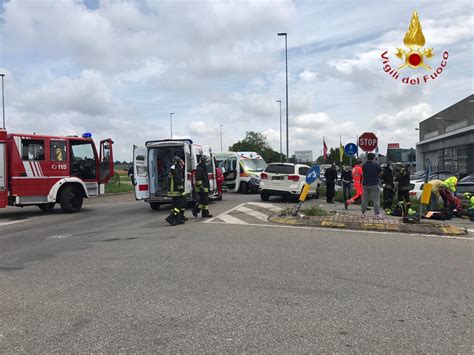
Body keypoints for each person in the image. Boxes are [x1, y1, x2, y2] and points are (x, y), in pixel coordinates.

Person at [165, 156, 187, 226]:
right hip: (176, 190)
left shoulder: (173, 169)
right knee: (179, 205)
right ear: (177, 162)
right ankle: (170, 217)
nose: (181, 164)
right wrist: (182, 191)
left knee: (176, 204)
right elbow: (178, 182)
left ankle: (177, 219)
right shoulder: (176, 170)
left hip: (173, 190)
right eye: (180, 162)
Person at [360, 153, 382, 218]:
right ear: (373, 158)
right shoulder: (376, 164)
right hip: (374, 184)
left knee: (365, 199)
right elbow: (381, 172)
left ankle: (363, 213)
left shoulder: (364, 165)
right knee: (376, 199)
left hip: (365, 184)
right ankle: (377, 214)